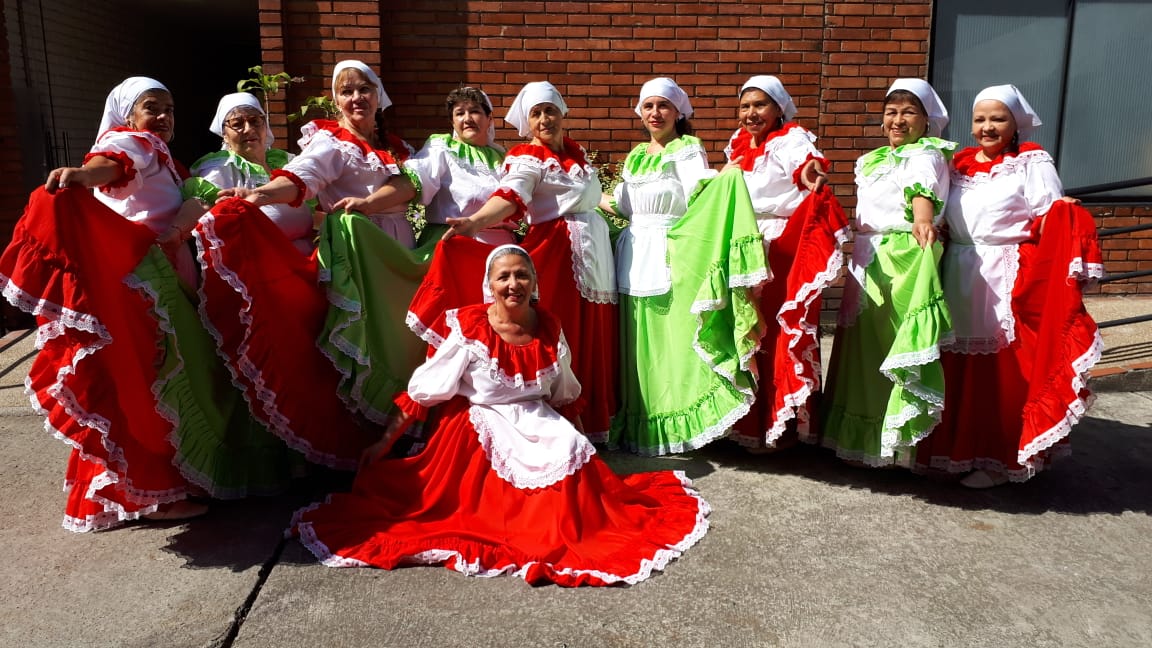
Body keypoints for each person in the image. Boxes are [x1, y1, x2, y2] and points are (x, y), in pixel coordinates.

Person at [291, 245, 709, 587]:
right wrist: (384, 443)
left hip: (537, 420)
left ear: (534, 282)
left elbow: (565, 394)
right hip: (480, 427)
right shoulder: (468, 326)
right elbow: (425, 391)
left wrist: (586, 452)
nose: (513, 284)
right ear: (489, 285)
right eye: (503, 277)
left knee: (571, 457)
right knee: (505, 508)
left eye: (521, 275)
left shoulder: (548, 326)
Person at [0, 77, 282, 529]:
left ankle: (153, 486)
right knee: (157, 384)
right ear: (128, 114)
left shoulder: (162, 154)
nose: (164, 117)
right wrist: (82, 175)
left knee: (160, 383)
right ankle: (158, 493)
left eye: (169, 108)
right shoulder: (133, 142)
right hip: (146, 284)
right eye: (153, 108)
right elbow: (111, 164)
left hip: (162, 280)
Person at [914, 85, 1102, 487]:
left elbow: (1047, 214)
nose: (986, 127)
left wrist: (1063, 213)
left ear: (1015, 123)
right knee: (956, 365)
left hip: (1005, 275)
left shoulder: (1029, 162)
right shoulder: (959, 164)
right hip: (958, 271)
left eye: (997, 119)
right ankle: (953, 451)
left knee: (1002, 372)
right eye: (980, 119)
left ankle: (999, 458)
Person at [426, 81, 619, 441]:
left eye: (549, 110)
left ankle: (595, 423)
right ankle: (559, 427)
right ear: (527, 122)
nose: (544, 119)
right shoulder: (528, 157)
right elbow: (511, 196)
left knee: (594, 333)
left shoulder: (576, 156)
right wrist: (474, 223)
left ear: (563, 112)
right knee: (565, 336)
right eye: (536, 113)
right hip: (557, 256)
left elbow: (591, 199)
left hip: (594, 256)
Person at [600, 78, 767, 455]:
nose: (654, 113)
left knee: (673, 343)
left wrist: (728, 178)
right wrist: (582, 194)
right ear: (639, 112)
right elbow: (627, 208)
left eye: (663, 106)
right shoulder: (637, 155)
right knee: (637, 344)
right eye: (648, 106)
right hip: (632, 255)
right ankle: (642, 425)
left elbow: (700, 197)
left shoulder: (687, 149)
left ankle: (678, 424)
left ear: (679, 112)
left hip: (671, 256)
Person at [820, 79, 956, 467]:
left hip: (902, 256)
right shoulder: (872, 160)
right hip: (867, 256)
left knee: (893, 347)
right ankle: (863, 441)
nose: (898, 120)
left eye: (908, 112)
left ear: (927, 121)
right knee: (862, 347)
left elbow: (922, 193)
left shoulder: (926, 154)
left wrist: (923, 221)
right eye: (891, 112)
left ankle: (897, 444)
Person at [722, 75, 849, 451]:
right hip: (744, 245)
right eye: (745, 106)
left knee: (776, 333)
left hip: (779, 247)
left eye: (759, 105)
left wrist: (810, 173)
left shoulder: (791, 139)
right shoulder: (739, 144)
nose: (751, 113)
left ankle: (780, 427)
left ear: (779, 108)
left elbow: (805, 165)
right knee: (745, 333)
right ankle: (746, 424)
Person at [186, 92, 317, 254]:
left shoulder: (285, 163)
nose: (248, 129)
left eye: (255, 121)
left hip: (304, 264)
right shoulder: (219, 168)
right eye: (237, 123)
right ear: (224, 135)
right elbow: (201, 206)